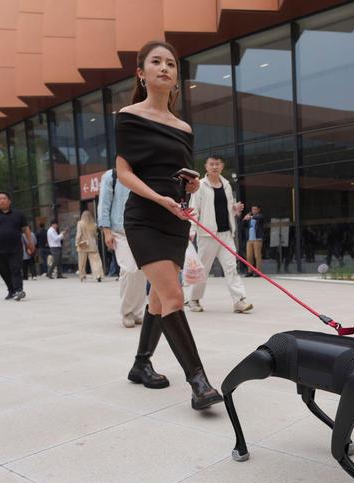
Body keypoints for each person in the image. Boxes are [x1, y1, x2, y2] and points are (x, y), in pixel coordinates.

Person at [115, 39, 223, 410]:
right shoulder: (128, 116)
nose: (164, 68)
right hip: (144, 216)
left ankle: (141, 364)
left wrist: (190, 186)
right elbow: (123, 172)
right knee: (174, 296)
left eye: (171, 64)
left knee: (159, 299)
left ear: (176, 77)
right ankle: (199, 382)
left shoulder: (184, 127)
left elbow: (181, 175)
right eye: (156, 62)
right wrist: (158, 198)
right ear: (141, 73)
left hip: (174, 217)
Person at [186, 155, 253, 314]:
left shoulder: (227, 185)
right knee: (203, 269)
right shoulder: (199, 186)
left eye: (217, 164)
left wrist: (234, 209)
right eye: (211, 164)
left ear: (222, 166)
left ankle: (239, 301)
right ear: (206, 167)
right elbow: (194, 208)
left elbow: (228, 206)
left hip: (226, 234)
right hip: (207, 235)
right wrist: (192, 230)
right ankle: (194, 299)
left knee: (231, 268)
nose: (215, 167)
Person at [99, 168, 147, 328]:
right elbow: (104, 204)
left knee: (142, 272)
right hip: (120, 231)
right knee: (129, 270)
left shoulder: (142, 173)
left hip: (142, 229)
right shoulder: (111, 176)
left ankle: (138, 311)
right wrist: (106, 231)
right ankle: (127, 312)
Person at [0, 191, 36, 300]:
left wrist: (30, 243)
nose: (1, 200)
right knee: (3, 270)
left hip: (15, 248)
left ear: (9, 201)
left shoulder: (18, 214)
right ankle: (11, 290)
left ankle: (18, 290)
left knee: (16, 268)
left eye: (4, 198)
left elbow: (26, 229)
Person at [75, 210, 104, 282]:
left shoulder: (80, 223)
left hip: (83, 244)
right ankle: (98, 275)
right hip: (92, 245)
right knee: (96, 261)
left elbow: (79, 234)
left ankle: (82, 276)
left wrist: (77, 242)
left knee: (82, 262)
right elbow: (95, 236)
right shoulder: (94, 224)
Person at [242, 204, 265, 277]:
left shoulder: (260, 216)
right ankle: (250, 271)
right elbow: (243, 225)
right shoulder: (249, 218)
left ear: (258, 210)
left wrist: (250, 217)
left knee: (257, 256)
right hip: (249, 239)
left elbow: (259, 218)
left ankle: (258, 271)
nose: (253, 211)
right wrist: (244, 219)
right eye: (252, 209)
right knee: (249, 256)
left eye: (255, 209)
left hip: (257, 239)